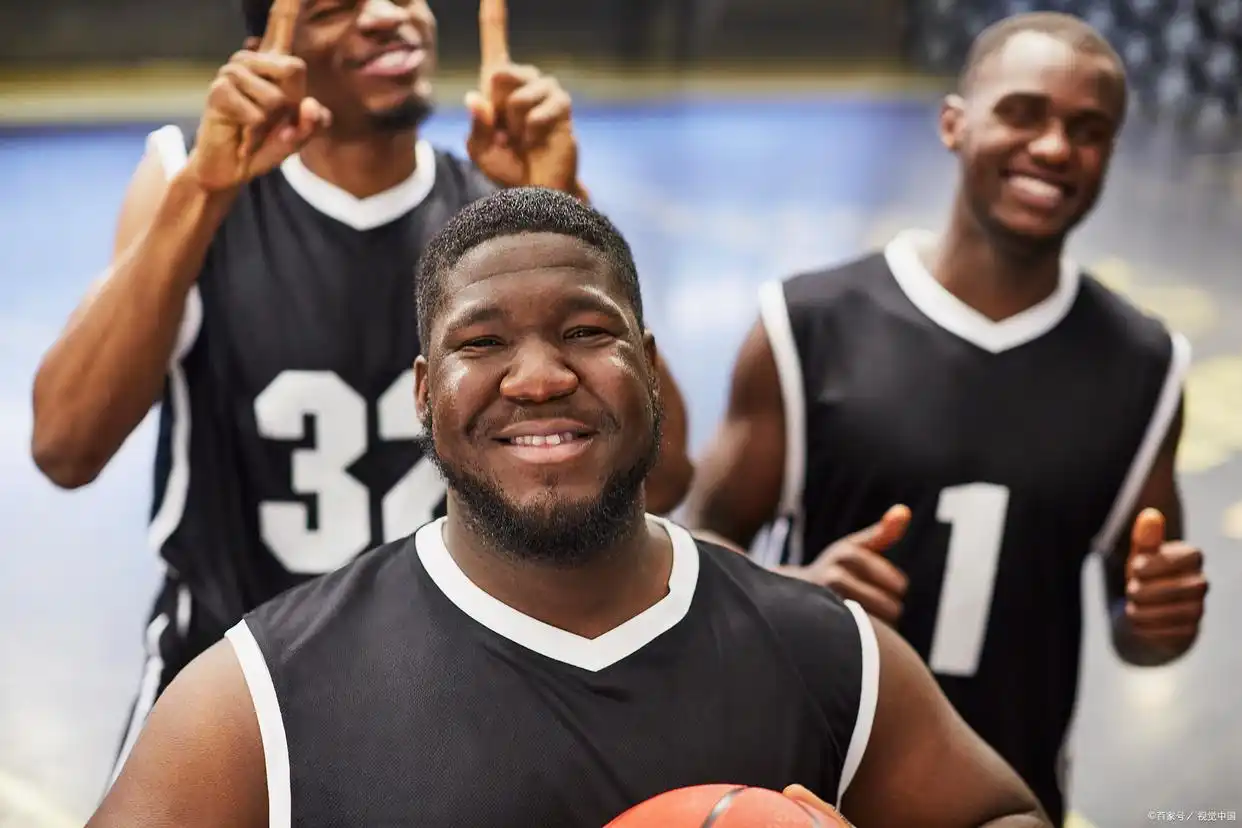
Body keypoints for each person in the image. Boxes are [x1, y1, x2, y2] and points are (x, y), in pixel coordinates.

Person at [87, 186, 1051, 828]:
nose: (541, 377)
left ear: (650, 368)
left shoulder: (828, 653)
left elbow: (1003, 817)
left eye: (589, 331)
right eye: (484, 342)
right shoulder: (261, 695)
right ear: (424, 391)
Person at [30, 0, 692, 783]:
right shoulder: (197, 189)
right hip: (227, 678)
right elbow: (66, 446)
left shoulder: (496, 221)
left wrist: (561, 201)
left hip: (464, 673)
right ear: (266, 48)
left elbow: (666, 478)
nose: (385, 15)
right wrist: (202, 191)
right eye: (336, 6)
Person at [684, 12, 1209, 825]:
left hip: (1006, 802)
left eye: (1089, 129)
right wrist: (793, 595)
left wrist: (1157, 622)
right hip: (806, 786)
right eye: (1023, 113)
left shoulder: (1145, 366)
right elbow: (700, 543)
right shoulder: (808, 324)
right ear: (955, 123)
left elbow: (1137, 634)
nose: (1054, 148)